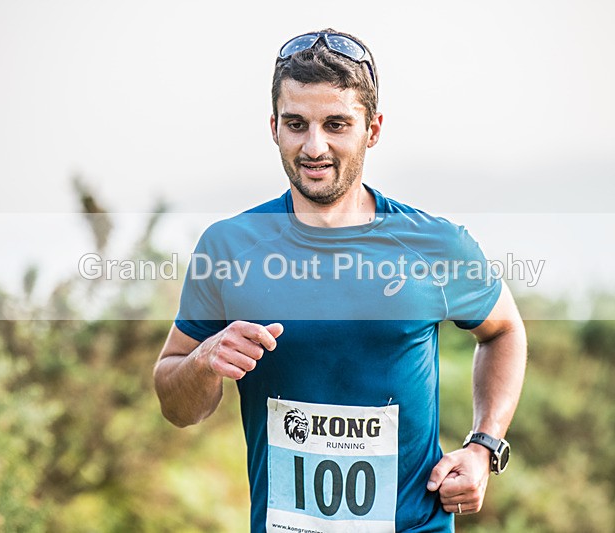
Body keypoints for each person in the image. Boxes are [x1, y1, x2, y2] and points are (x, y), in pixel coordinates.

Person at [154, 28, 527, 533]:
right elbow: (176, 405)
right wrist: (205, 359)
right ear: (274, 128)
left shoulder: (434, 245)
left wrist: (484, 445)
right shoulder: (229, 248)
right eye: (296, 124)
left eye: (336, 124)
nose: (314, 146)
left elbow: (504, 331)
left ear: (372, 129)